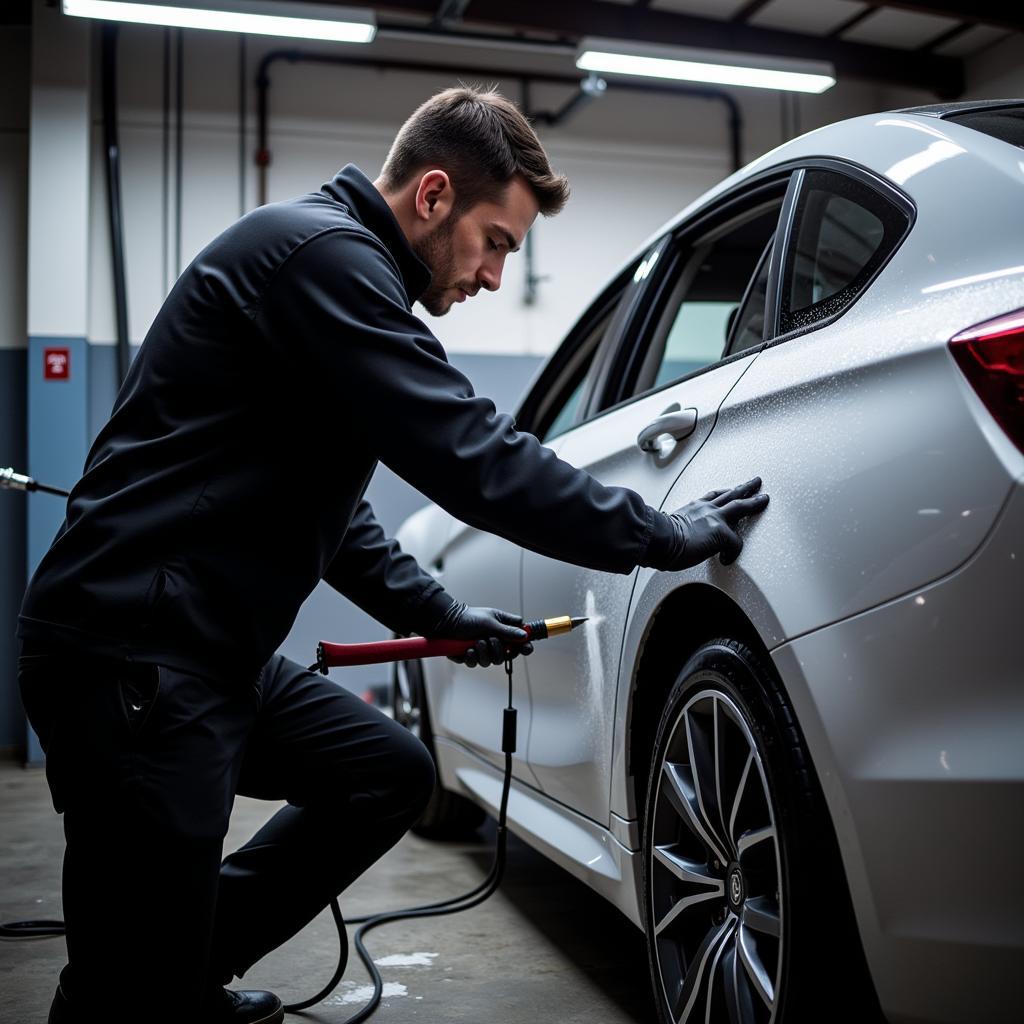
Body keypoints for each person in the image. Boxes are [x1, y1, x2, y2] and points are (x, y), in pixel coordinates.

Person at [17, 86, 769, 1024]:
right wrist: (665, 532)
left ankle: (185, 963)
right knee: (118, 990)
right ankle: (153, 983)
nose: (495, 275)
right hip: (134, 652)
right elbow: (474, 459)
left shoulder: (332, 272)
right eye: (495, 241)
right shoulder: (324, 260)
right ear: (434, 195)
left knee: (385, 773)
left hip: (201, 651)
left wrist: (441, 616)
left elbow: (331, 515)